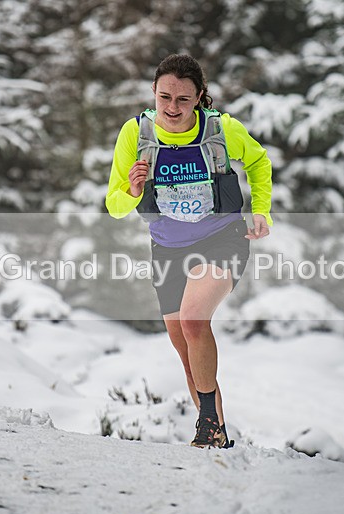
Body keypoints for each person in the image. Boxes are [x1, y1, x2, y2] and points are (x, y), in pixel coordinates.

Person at [105, 54, 272, 448]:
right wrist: (132, 189)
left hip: (222, 239)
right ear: (153, 93)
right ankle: (214, 430)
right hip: (166, 248)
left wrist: (261, 211)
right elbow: (113, 207)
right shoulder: (136, 134)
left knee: (195, 320)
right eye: (165, 97)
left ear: (199, 96)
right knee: (185, 348)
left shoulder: (222, 129)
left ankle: (209, 425)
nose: (173, 108)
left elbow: (259, 161)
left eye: (183, 99)